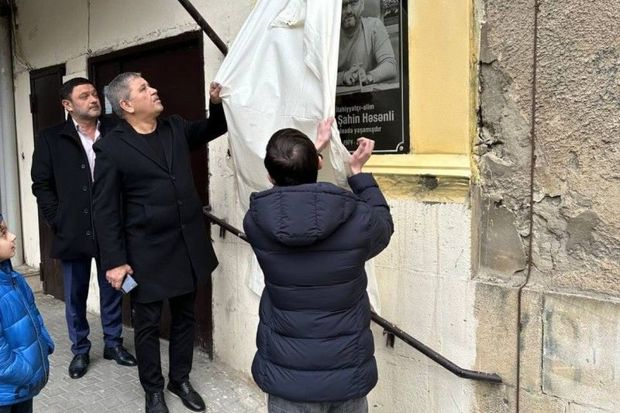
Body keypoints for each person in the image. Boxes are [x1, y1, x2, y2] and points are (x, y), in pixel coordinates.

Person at [93, 72, 227, 413]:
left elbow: (214, 128)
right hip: (145, 252)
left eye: (150, 85)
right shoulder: (112, 147)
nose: (154, 90)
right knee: (148, 325)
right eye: (143, 89)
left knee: (185, 318)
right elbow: (105, 209)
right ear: (126, 104)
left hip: (185, 245)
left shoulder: (175, 128)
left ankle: (179, 378)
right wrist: (115, 261)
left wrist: (216, 105)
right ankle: (153, 389)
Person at [243, 120, 394, 413]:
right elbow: (384, 226)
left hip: (287, 375)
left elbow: (284, 201)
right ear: (319, 164)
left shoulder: (256, 221)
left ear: (270, 177)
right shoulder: (357, 218)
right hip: (345, 371)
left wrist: (311, 153)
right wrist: (357, 173)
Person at [30, 77, 137, 380]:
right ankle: (80, 349)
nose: (93, 99)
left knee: (113, 288)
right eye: (84, 96)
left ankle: (113, 344)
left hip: (111, 229)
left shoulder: (116, 130)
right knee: (75, 294)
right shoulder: (51, 138)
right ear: (67, 105)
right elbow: (42, 184)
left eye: (94, 93)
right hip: (72, 231)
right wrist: (58, 219)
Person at [0, 212, 54, 413]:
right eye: (3, 233)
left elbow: (34, 315)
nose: (12, 236)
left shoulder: (14, 279)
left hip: (22, 387)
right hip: (8, 389)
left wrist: (45, 343)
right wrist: (26, 369)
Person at [338, 0, 397, 86]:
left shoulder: (374, 26)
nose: (348, 10)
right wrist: (343, 77)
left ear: (362, 4)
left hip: (370, 95)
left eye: (354, 2)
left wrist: (369, 76)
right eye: (343, 5)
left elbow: (390, 65)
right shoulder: (327, 35)